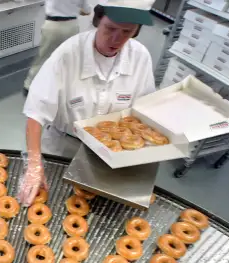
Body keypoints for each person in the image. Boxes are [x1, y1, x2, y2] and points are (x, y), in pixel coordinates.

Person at [18, 0, 156, 206]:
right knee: (54, 201)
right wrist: (34, 165)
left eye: (126, 32)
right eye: (110, 29)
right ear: (98, 20)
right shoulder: (68, 53)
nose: (116, 39)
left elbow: (143, 113)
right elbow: (36, 113)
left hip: (109, 155)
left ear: (136, 31)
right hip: (63, 149)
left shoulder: (140, 58)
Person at [23, 0, 91, 93]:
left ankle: (29, 86)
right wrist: (72, 10)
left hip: (53, 25)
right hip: (71, 26)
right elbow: (87, 11)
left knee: (44, 57)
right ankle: (64, 88)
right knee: (68, 58)